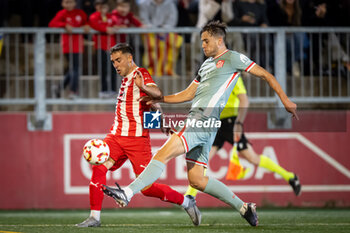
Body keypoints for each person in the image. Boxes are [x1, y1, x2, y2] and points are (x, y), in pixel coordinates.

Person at [102, 21, 298, 227]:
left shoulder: (233, 58)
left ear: (219, 40)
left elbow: (265, 74)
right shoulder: (205, 65)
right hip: (207, 125)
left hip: (201, 120)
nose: (202, 45)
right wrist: (161, 99)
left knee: (161, 155)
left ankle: (127, 192)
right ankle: (244, 207)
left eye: (206, 41)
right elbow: (188, 93)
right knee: (197, 180)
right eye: (201, 41)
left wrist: (285, 100)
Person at [76, 43, 201, 227]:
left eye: (118, 60)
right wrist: (162, 121)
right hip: (116, 136)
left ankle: (186, 202)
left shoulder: (140, 74)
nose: (116, 65)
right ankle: (95, 217)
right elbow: (149, 103)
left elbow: (157, 94)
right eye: (113, 62)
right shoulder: (126, 78)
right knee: (99, 167)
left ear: (129, 58)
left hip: (137, 141)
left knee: (147, 188)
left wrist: (146, 89)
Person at [184, 76, 302, 198]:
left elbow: (244, 100)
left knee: (252, 158)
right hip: (216, 123)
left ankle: (290, 177)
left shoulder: (233, 77)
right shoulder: (213, 77)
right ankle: (189, 197)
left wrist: (238, 123)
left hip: (231, 123)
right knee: (203, 160)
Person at [49, 0, 89, 99]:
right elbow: (52, 24)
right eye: (66, 2)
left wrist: (87, 26)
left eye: (71, 2)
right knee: (75, 68)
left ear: (75, 3)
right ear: (62, 3)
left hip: (78, 45)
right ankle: (73, 91)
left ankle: (59, 88)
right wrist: (64, 25)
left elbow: (87, 23)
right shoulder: (61, 14)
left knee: (74, 68)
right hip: (68, 46)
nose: (69, 4)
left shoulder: (80, 13)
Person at [89, 0, 118, 98]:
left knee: (114, 69)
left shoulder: (111, 17)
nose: (102, 9)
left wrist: (116, 27)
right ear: (97, 7)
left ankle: (113, 90)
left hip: (112, 47)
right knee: (103, 69)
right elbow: (94, 24)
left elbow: (116, 24)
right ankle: (104, 90)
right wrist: (106, 29)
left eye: (104, 7)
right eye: (100, 7)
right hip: (100, 46)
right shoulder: (94, 16)